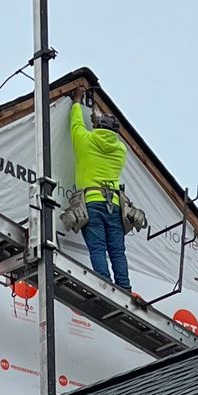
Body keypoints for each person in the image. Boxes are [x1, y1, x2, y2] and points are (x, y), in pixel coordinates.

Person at [70, 92, 132, 291]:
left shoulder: (85, 141)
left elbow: (76, 125)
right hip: (113, 204)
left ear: (96, 126)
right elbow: (104, 135)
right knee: (117, 251)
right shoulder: (120, 150)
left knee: (98, 248)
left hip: (92, 201)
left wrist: (77, 102)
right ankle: (124, 287)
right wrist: (98, 122)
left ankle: (104, 283)